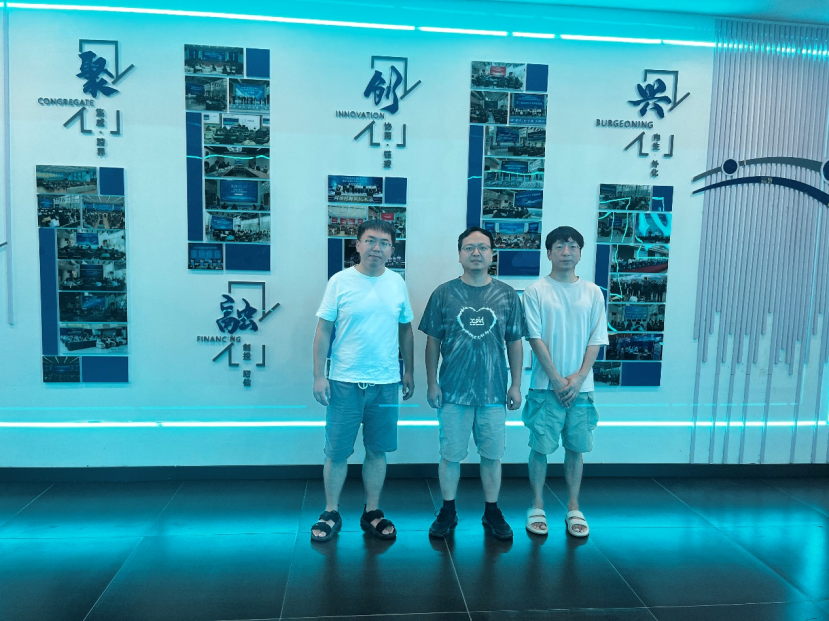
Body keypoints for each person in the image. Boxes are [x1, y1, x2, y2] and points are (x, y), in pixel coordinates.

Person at [311, 219, 415, 543]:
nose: (376, 248)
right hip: (344, 381)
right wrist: (319, 375)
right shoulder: (340, 281)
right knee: (337, 451)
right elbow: (323, 330)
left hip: (385, 382)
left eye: (384, 243)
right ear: (357, 245)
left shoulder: (397, 283)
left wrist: (409, 371)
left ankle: (372, 511)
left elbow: (406, 330)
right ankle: (330, 511)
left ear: (392, 250)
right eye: (370, 241)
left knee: (378, 450)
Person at [420, 226, 526, 540]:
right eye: (469, 247)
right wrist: (432, 383)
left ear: (492, 254)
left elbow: (515, 342)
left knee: (492, 455)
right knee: (450, 454)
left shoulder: (507, 295)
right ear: (459, 254)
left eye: (482, 247)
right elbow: (432, 343)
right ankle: (447, 510)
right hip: (453, 391)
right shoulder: (443, 293)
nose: (476, 253)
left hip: (493, 392)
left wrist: (516, 384)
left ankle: (492, 511)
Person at [521, 226, 608, 538]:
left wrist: (579, 378)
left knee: (576, 447)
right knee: (540, 447)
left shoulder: (593, 292)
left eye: (572, 246)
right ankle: (537, 505)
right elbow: (534, 337)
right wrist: (557, 380)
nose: (566, 251)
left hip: (581, 389)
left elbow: (596, 339)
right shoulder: (535, 291)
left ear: (580, 253)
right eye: (559, 246)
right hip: (545, 387)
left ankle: (573, 507)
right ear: (548, 252)